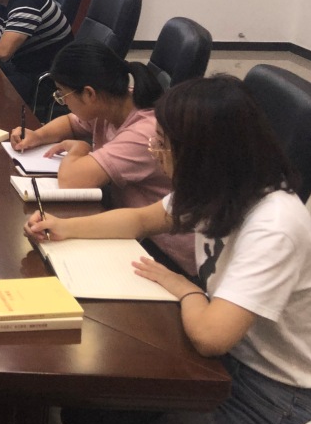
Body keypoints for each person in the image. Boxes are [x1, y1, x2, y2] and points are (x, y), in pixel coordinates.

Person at [24, 76, 311, 424]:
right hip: (230, 358)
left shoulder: (275, 225)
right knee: (92, 416)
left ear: (203, 153)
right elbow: (140, 220)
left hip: (277, 390)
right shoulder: (216, 185)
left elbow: (211, 338)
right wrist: (63, 227)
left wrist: (186, 290)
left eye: (163, 144)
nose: (154, 151)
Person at [10, 41, 194, 275]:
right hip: (131, 222)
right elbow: (71, 122)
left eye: (63, 94)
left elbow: (72, 181)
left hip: (164, 249)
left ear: (89, 94)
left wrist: (79, 150)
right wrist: (38, 135)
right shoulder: (112, 102)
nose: (63, 102)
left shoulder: (145, 132)